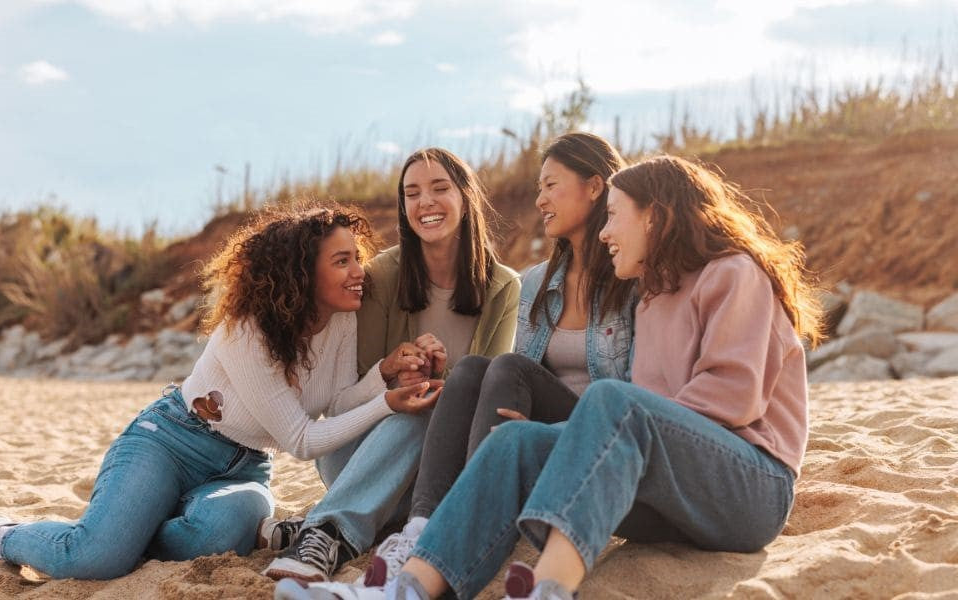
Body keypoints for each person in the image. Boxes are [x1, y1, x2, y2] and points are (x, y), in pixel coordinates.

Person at [280, 154, 823, 599]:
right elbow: (646, 420)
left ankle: (548, 590)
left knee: (613, 402)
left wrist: (582, 435)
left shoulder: (734, 274)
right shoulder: (655, 297)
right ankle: (406, 591)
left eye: (614, 215)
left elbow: (731, 399)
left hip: (749, 489)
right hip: (671, 491)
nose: (606, 232)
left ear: (654, 216)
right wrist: (564, 438)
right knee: (514, 439)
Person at [0, 205, 441, 580]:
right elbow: (301, 440)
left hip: (245, 463)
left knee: (224, 535)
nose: (359, 273)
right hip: (172, 440)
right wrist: (386, 403)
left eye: (357, 258)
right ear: (303, 271)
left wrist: (383, 377)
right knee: (95, 558)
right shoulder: (249, 328)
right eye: (342, 261)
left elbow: (333, 404)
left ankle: (130, 527)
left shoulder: (339, 321)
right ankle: (3, 535)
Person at [356, 132, 638, 587]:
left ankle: (460, 531)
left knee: (502, 365)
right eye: (538, 187)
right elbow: (520, 378)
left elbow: (636, 397)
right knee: (471, 368)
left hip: (598, 436)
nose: (539, 198)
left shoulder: (633, 278)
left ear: (594, 186)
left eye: (550, 185)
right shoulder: (536, 284)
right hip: (540, 435)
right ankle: (422, 527)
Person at [261, 148, 521, 582]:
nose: (426, 203)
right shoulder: (382, 275)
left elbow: (487, 394)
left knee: (429, 402)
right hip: (356, 454)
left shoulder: (503, 287)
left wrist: (442, 378)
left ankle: (321, 529)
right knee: (415, 403)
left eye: (440, 188)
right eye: (412, 193)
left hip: (437, 475)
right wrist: (388, 372)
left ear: (466, 196)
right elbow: (344, 402)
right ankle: (330, 529)